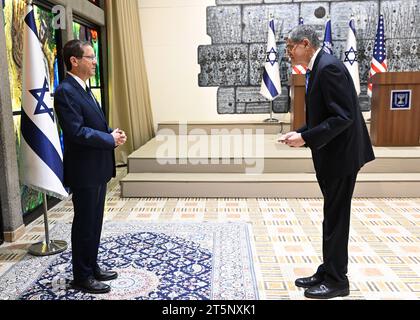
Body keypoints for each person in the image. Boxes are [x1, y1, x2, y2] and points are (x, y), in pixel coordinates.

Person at [279, 25, 375, 299]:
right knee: (331, 217)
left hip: (341, 157)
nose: (288, 53)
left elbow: (342, 117)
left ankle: (336, 281)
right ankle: (329, 269)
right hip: (333, 155)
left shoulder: (328, 67)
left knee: (336, 218)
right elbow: (324, 115)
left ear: (305, 43)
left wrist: (307, 139)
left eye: (290, 48)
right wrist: (301, 133)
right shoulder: (319, 65)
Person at [54, 40, 127, 294]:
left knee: (94, 222)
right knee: (84, 223)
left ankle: (92, 266)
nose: (94, 62)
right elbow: (75, 132)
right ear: (74, 61)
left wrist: (110, 133)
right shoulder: (65, 91)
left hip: (97, 168)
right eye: (90, 57)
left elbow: (92, 124)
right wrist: (107, 140)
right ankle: (82, 276)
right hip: (84, 171)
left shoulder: (84, 88)